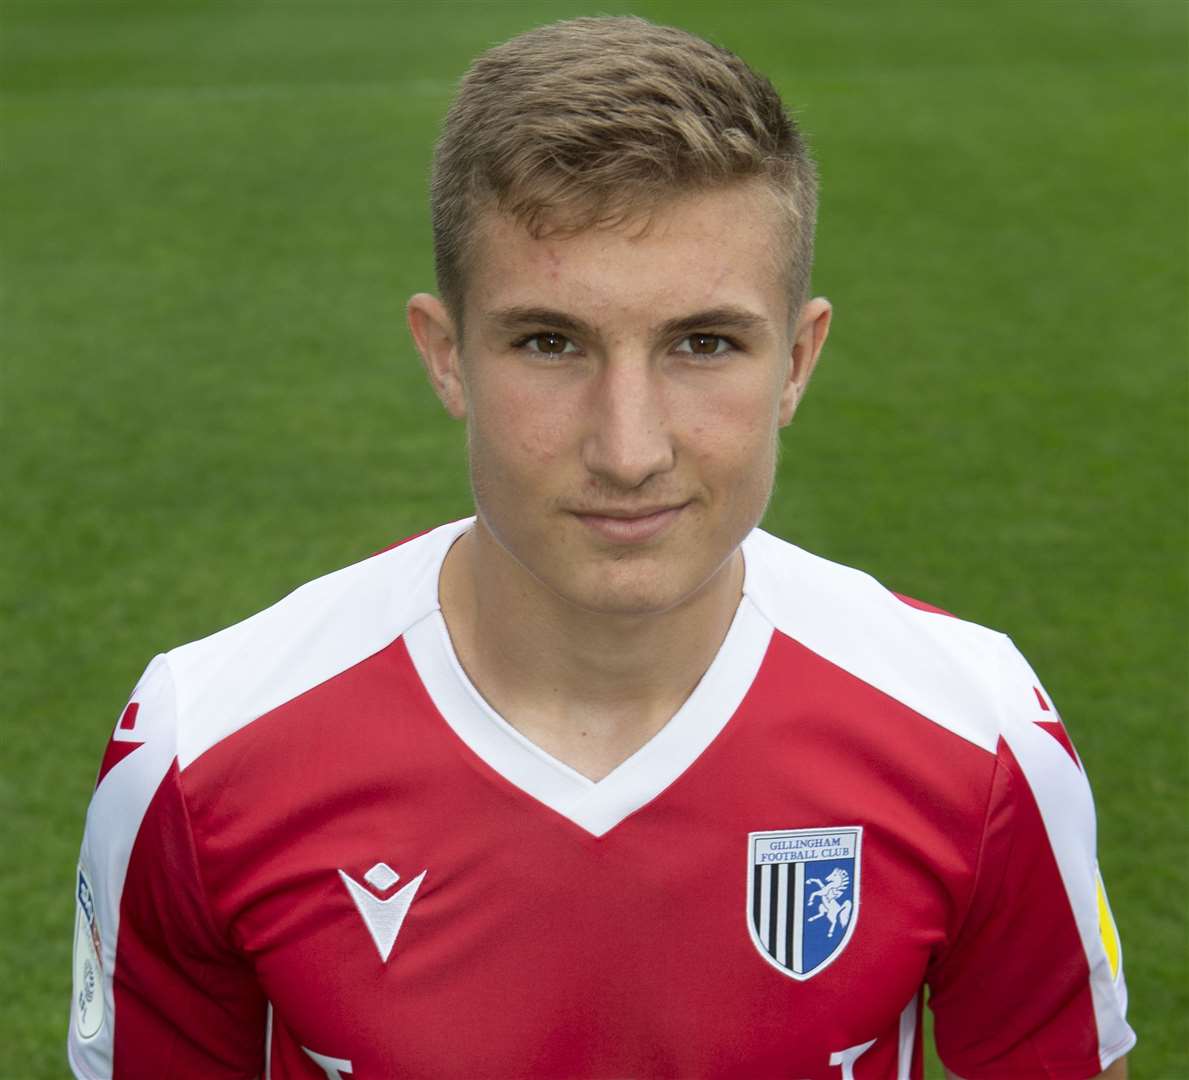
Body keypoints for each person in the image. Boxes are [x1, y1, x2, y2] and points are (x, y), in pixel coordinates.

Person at [68, 16, 1134, 1080]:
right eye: (550, 343)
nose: (628, 450)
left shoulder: (979, 734)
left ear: (798, 360)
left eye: (703, 344)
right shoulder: (200, 751)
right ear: (445, 358)